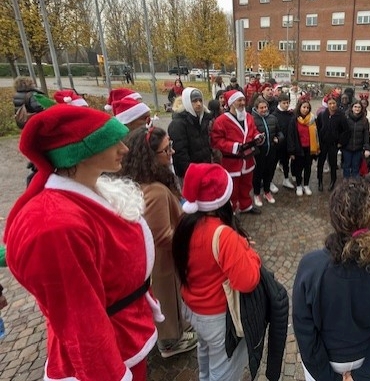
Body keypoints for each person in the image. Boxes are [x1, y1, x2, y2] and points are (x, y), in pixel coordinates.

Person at [3, 105, 163, 380]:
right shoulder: (58, 226)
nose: (124, 149)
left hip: (126, 331)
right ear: (82, 152)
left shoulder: (90, 191)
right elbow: (80, 320)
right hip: (112, 350)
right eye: (112, 142)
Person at [293, 178, 370, 381]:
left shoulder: (311, 267)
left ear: (334, 218)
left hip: (325, 361)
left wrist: (328, 377)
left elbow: (304, 331)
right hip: (367, 357)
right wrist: (365, 374)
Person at [172, 163, 261, 380]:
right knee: (224, 369)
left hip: (193, 308)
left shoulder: (185, 223)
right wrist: (249, 252)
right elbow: (248, 280)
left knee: (205, 352)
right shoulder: (223, 235)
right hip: (217, 317)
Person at [120, 126, 198, 358]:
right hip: (162, 264)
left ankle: (175, 331)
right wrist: (190, 237)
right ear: (150, 157)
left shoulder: (141, 180)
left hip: (158, 261)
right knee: (166, 299)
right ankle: (170, 342)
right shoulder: (153, 191)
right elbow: (162, 236)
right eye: (166, 150)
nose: (171, 152)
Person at [211, 90, 265, 214]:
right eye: (239, 100)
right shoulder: (221, 121)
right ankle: (232, 210)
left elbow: (254, 131)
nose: (242, 103)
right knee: (233, 188)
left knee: (246, 185)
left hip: (248, 159)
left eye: (243, 100)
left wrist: (257, 137)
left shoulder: (249, 117)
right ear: (231, 103)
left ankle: (246, 206)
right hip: (231, 161)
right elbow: (216, 141)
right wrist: (234, 146)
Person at [168, 88, 214, 181]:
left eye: (200, 100)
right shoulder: (178, 124)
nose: (199, 104)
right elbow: (180, 153)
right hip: (188, 175)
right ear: (187, 102)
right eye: (194, 101)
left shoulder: (203, 119)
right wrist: (191, 172)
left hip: (204, 169)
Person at [251, 96, 283, 206]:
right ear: (256, 108)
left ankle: (267, 191)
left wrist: (278, 138)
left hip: (271, 151)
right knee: (257, 174)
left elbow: (280, 133)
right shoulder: (252, 120)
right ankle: (256, 194)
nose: (264, 109)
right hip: (258, 153)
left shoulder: (273, 118)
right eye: (261, 108)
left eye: (265, 107)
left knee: (268, 173)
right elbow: (249, 137)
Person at [316, 96, 350, 192]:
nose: (332, 105)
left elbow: (346, 131)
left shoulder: (341, 116)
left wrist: (340, 142)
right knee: (320, 163)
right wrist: (318, 140)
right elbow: (317, 128)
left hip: (334, 144)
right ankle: (320, 181)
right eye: (330, 104)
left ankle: (333, 180)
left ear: (336, 104)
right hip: (323, 143)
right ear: (327, 104)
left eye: (334, 103)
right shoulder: (322, 115)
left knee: (333, 163)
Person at [288, 99, 320, 196]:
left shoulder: (312, 119)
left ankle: (306, 185)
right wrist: (291, 152)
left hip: (309, 148)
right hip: (299, 149)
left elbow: (316, 134)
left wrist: (317, 148)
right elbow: (291, 136)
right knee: (298, 168)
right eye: (304, 107)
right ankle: (298, 185)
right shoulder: (294, 120)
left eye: (307, 108)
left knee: (308, 167)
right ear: (300, 108)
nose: (306, 109)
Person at [342, 101, 370, 179]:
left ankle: (355, 184)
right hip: (347, 147)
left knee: (356, 166)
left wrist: (367, 148)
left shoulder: (364, 120)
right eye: (355, 107)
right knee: (346, 165)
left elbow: (366, 135)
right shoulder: (346, 118)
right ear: (352, 108)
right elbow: (342, 132)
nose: (357, 109)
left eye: (359, 107)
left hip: (358, 148)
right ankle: (346, 182)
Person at [274, 93, 295, 189]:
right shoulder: (274, 115)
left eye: (288, 103)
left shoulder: (290, 114)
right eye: (284, 103)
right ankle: (269, 182)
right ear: (279, 103)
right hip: (277, 144)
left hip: (287, 143)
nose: (287, 105)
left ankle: (286, 179)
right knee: (273, 164)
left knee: (286, 163)